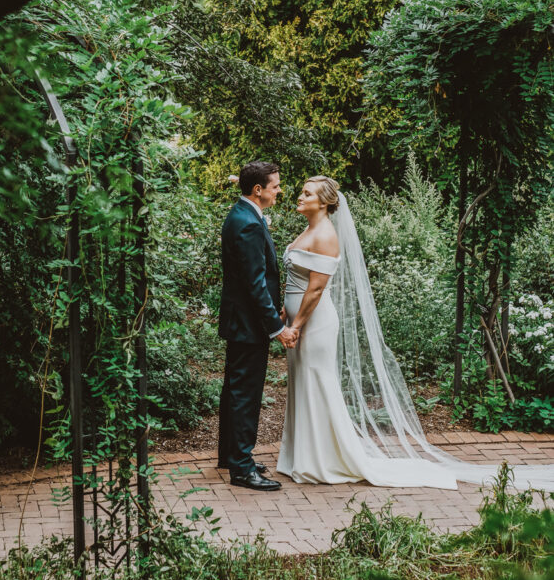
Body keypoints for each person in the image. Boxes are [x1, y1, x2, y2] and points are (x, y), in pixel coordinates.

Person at [277, 176, 554, 491]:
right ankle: (301, 455)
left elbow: (316, 288)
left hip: (314, 323)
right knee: (301, 382)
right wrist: (288, 311)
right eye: (302, 191)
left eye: (307, 193)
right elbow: (299, 279)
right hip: (299, 318)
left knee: (317, 383)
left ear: (324, 202)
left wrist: (296, 324)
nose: (300, 196)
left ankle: (322, 459)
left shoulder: (325, 234)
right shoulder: (308, 229)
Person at [218, 161, 298, 491]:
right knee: (245, 395)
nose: (280, 191)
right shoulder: (248, 223)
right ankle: (241, 468)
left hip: (241, 321)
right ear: (258, 190)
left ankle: (231, 456)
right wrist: (276, 327)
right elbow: (255, 283)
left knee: (234, 391)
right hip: (249, 324)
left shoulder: (243, 214)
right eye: (276, 186)